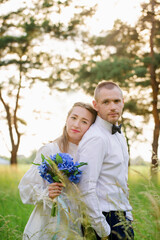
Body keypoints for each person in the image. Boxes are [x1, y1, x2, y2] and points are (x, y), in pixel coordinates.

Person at [18, 102, 97, 240]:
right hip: (48, 221)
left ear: (91, 127)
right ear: (67, 119)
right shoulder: (50, 150)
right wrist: (46, 193)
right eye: (74, 118)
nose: (76, 124)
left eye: (84, 121)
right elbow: (25, 188)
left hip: (76, 224)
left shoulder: (89, 157)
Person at [77, 81, 134, 240]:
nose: (113, 107)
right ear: (95, 105)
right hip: (104, 220)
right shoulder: (96, 138)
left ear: (123, 102)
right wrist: (103, 231)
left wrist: (127, 215)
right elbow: (85, 188)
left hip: (121, 216)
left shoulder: (118, 134)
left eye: (116, 101)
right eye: (106, 102)